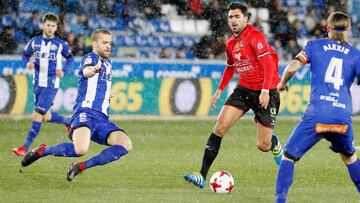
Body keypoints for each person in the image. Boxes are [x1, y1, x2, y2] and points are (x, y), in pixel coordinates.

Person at [184, 2, 283, 188]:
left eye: (237, 17)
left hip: (266, 91)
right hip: (244, 89)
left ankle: (274, 142)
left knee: (263, 145)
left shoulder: (255, 36)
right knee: (219, 128)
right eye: (231, 17)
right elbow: (230, 68)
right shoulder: (231, 43)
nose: (234, 20)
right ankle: (202, 176)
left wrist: (264, 90)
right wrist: (219, 90)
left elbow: (269, 64)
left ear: (246, 19)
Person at [21, 29, 133, 182]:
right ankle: (42, 151)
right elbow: (87, 71)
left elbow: (98, 86)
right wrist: (92, 70)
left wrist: (107, 96)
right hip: (85, 112)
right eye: (104, 42)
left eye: (110, 43)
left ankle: (80, 167)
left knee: (125, 144)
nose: (108, 46)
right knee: (80, 149)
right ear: (94, 43)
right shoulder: (90, 58)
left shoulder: (108, 63)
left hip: (102, 118)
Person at [275, 12, 360, 203]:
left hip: (317, 115)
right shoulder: (356, 55)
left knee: (288, 156)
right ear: (349, 30)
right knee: (349, 158)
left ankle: (280, 201)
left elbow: (292, 68)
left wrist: (282, 83)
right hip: (342, 117)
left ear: (328, 28)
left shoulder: (314, 46)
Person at [12, 13, 74, 156]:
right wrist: (27, 63)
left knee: (37, 114)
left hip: (51, 84)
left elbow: (70, 58)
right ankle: (68, 121)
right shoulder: (35, 42)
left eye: (53, 26)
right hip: (37, 83)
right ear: (43, 25)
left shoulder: (60, 44)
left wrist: (63, 70)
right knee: (46, 116)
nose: (50, 28)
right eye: (48, 25)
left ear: (56, 27)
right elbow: (25, 54)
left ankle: (24, 147)